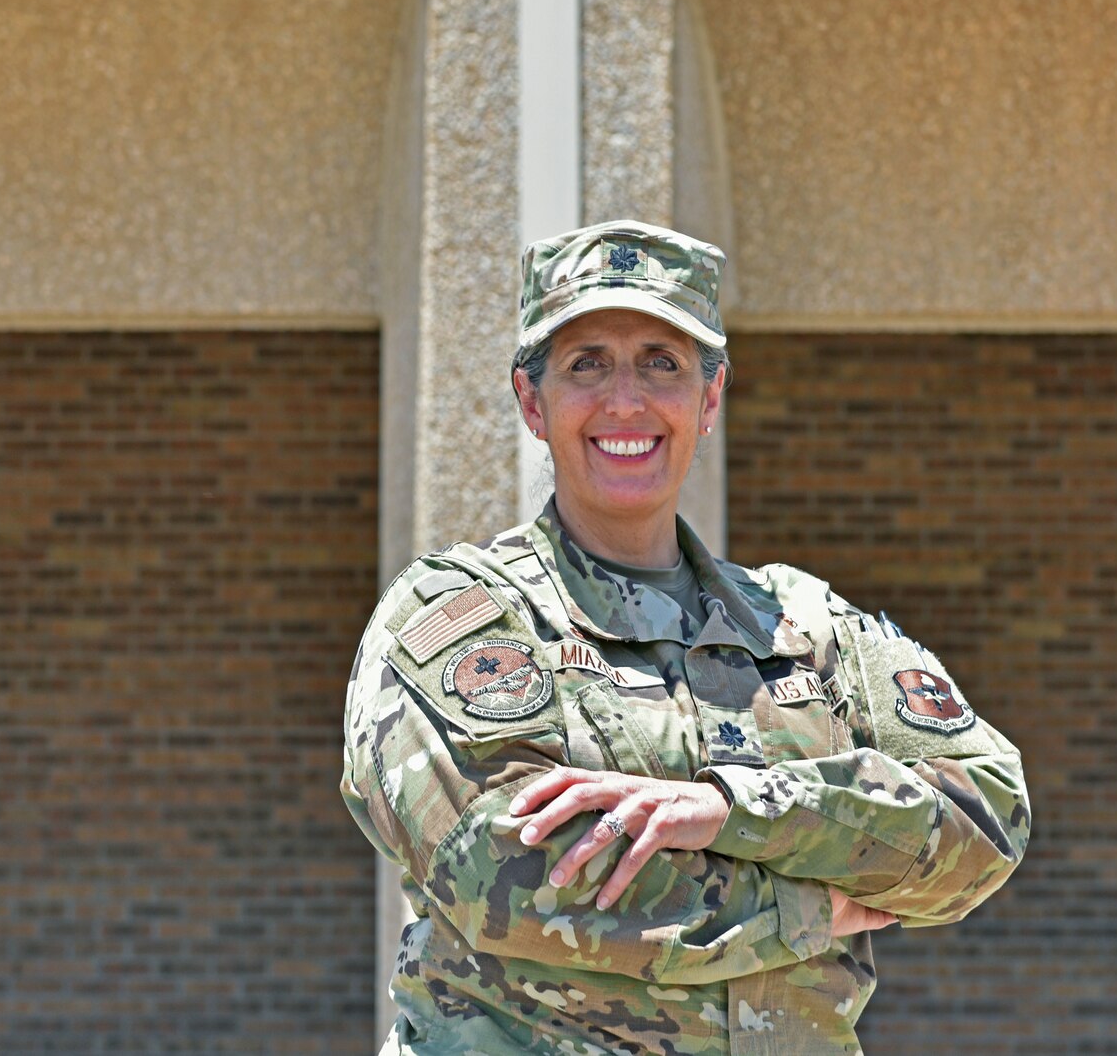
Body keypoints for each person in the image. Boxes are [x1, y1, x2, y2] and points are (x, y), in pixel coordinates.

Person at [342, 219, 1031, 1054]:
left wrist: (733, 809)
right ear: (534, 401)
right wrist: (810, 903)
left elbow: (986, 817)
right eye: (586, 362)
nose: (625, 400)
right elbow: (506, 878)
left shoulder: (806, 625)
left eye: (662, 363)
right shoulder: (459, 616)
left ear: (709, 399)